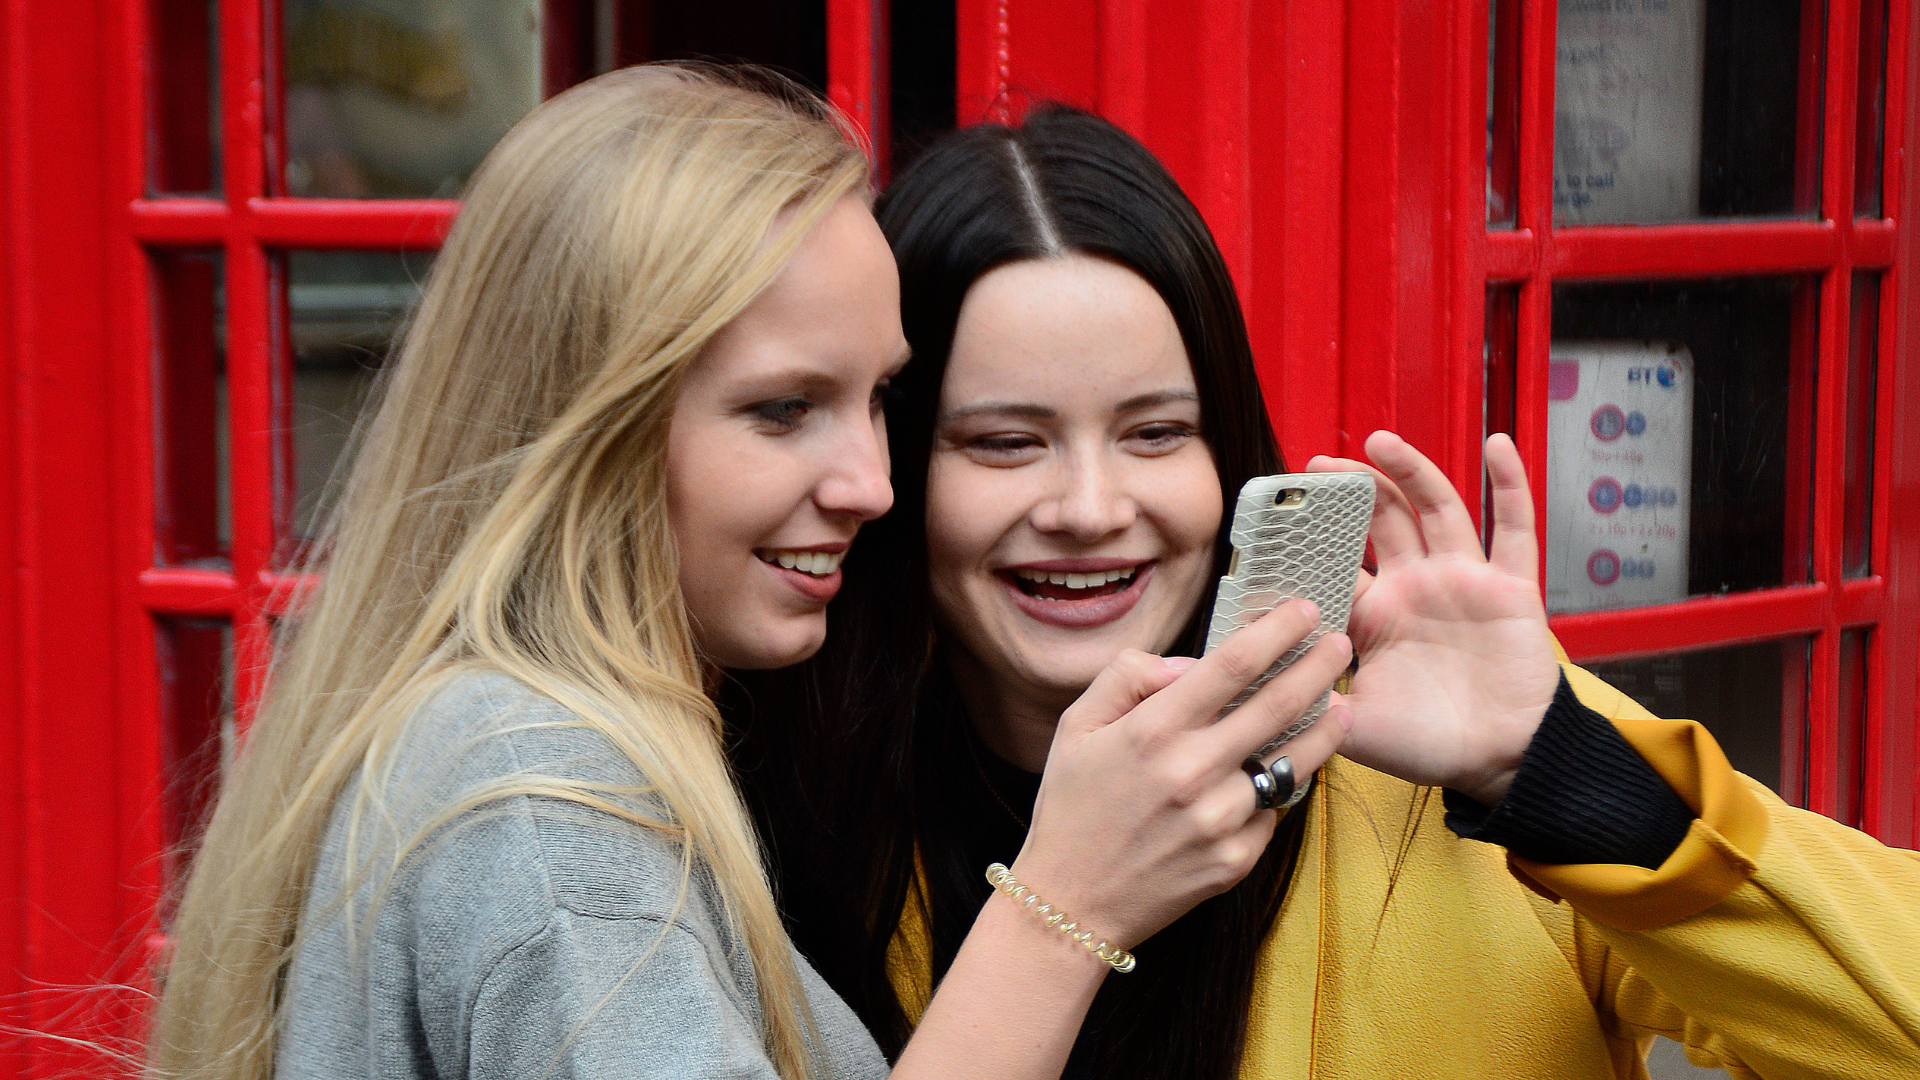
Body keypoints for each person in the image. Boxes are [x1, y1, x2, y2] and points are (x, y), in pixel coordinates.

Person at [147, 70, 1355, 1080]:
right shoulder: (548, 815)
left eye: (879, 399)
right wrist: (1063, 910)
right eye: (784, 411)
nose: (870, 485)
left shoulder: (570, 754)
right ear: (592, 423)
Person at [727, 105, 1920, 1079]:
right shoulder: (779, 825)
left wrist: (1550, 765)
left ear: (1229, 454)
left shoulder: (1444, 792)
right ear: (888, 466)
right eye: (1001, 442)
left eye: (1155, 433)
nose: (1089, 506)